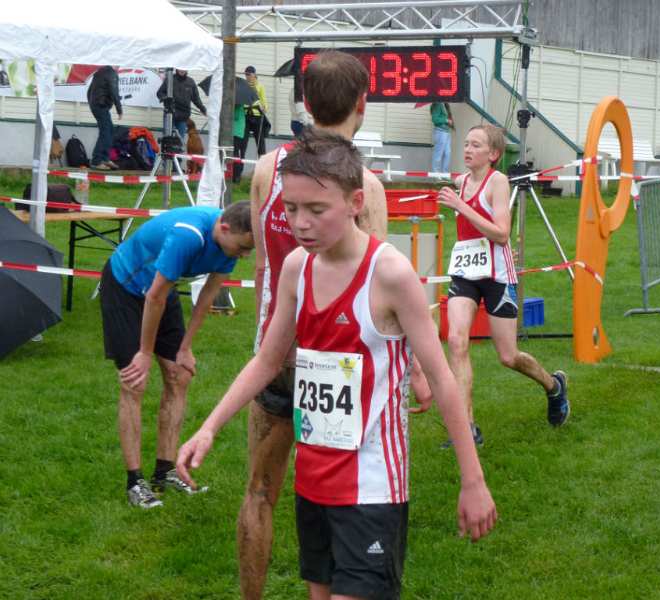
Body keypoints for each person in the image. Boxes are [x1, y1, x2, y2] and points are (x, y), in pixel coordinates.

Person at [177, 130, 496, 600]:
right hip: (313, 481)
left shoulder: (390, 274)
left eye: (316, 209)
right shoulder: (297, 269)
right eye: (291, 209)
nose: (300, 223)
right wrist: (208, 427)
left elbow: (443, 379)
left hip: (372, 486)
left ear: (354, 203)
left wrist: (473, 480)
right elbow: (267, 360)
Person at [238, 50, 406, 600]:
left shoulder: (268, 170)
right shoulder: (365, 186)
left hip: (279, 354)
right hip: (341, 364)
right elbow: (378, 286)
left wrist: (267, 345)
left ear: (305, 103)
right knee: (345, 497)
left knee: (260, 491)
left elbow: (263, 268)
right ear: (363, 103)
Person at [99, 202, 255, 509]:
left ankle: (165, 471)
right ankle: (135, 482)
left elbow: (207, 296)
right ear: (224, 228)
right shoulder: (189, 235)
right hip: (125, 287)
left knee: (180, 375)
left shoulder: (229, 245)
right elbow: (153, 296)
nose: (245, 255)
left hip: (161, 290)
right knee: (134, 381)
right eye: (243, 248)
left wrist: (185, 347)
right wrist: (145, 353)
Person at [437, 124, 570, 448]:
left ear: (493, 154)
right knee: (456, 341)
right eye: (466, 143)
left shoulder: (497, 182)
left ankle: (554, 386)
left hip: (497, 276)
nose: (467, 149)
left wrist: (461, 207)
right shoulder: (461, 182)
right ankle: (467, 429)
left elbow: (501, 233)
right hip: (466, 274)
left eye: (476, 145)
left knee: (508, 356)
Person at [87, 65, 123, 171]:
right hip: (101, 105)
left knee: (109, 130)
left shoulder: (100, 72)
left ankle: (105, 158)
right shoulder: (112, 74)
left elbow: (89, 91)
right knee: (106, 132)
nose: (119, 67)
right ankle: (96, 160)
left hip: (96, 105)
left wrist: (92, 103)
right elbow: (114, 92)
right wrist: (119, 110)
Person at [157, 69, 207, 142]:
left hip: (183, 117)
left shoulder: (191, 82)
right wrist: (165, 98)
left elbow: (196, 99)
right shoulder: (170, 79)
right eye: (180, 68)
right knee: (167, 139)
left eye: (184, 68)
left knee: (180, 141)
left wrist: (203, 109)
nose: (182, 70)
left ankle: (179, 148)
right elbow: (159, 93)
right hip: (170, 114)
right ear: (177, 69)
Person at [243, 66, 271, 156]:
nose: (247, 76)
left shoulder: (260, 86)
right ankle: (241, 158)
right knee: (243, 140)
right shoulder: (243, 85)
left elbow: (264, 100)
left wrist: (265, 107)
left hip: (257, 115)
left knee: (260, 140)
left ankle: (262, 158)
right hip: (246, 115)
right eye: (246, 75)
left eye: (249, 74)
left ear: (254, 74)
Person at [431, 102, 454, 175]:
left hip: (447, 132)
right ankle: (435, 175)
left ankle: (445, 174)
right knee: (438, 154)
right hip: (440, 132)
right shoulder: (437, 104)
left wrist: (449, 122)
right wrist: (446, 120)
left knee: (447, 153)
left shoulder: (445, 104)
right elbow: (435, 119)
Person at [232, 103, 247, 184]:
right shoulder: (240, 105)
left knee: (235, 154)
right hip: (240, 132)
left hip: (236, 132)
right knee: (237, 154)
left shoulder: (238, 105)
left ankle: (236, 176)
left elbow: (235, 116)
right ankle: (236, 176)